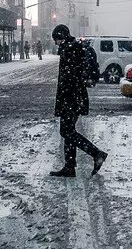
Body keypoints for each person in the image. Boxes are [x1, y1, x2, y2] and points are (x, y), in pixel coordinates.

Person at [49, 24, 107, 178]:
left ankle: (96, 154)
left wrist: (65, 100)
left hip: (71, 97)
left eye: (56, 39)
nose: (56, 43)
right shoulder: (73, 47)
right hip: (75, 96)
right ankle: (69, 167)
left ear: (61, 37)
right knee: (69, 131)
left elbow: (70, 77)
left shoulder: (70, 50)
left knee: (66, 131)